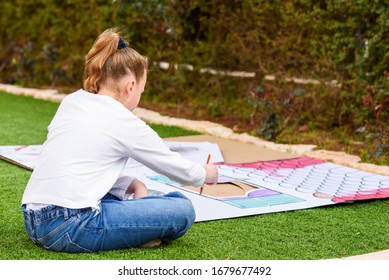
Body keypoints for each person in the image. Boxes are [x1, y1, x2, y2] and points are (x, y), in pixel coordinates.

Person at [21, 27, 218, 253]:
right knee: (182, 209)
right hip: (72, 225)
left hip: (34, 220)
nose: (139, 98)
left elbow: (82, 165)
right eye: (141, 92)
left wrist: (134, 184)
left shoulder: (72, 101)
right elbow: (175, 167)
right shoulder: (124, 120)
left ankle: (139, 219)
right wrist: (207, 174)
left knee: (142, 194)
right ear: (130, 86)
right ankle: (140, 232)